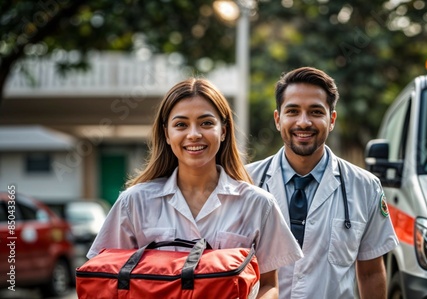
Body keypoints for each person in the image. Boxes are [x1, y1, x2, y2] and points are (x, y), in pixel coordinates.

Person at [87, 78, 303, 299]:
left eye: (206, 123)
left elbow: (269, 286)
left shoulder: (258, 204)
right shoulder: (133, 203)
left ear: (224, 131)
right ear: (167, 134)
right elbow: (104, 278)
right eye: (181, 124)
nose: (194, 134)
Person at [246, 67, 399, 299]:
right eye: (293, 111)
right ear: (278, 119)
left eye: (316, 112)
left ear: (332, 120)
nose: (304, 122)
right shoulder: (245, 182)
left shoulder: (365, 187)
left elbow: (370, 273)